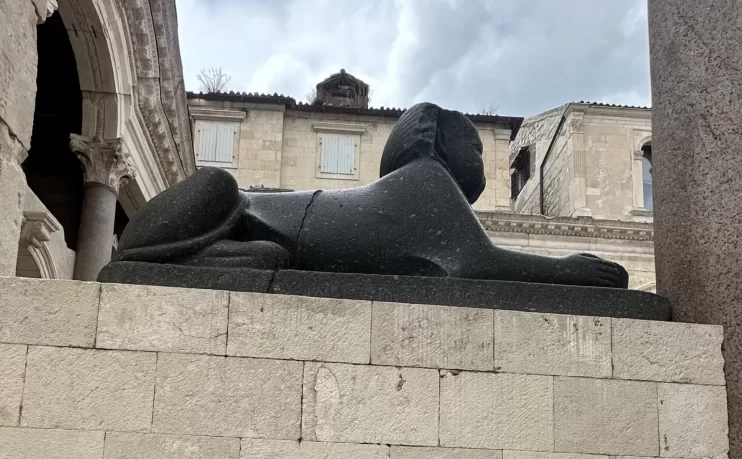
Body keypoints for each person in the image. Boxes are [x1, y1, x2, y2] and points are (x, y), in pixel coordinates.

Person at [112, 103, 628, 288]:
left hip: (274, 236)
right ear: (438, 143)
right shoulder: (426, 182)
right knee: (219, 185)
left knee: (266, 252)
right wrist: (567, 270)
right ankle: (206, 256)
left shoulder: (427, 191)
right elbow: (470, 265)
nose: (481, 160)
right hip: (232, 215)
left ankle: (216, 258)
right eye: (473, 144)